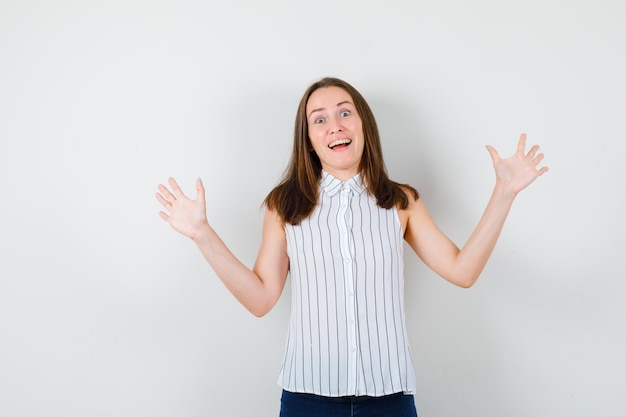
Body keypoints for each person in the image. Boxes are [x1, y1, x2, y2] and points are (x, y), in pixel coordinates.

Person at [156, 77, 548, 417]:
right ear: (308, 140)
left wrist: (504, 193)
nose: (334, 126)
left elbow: (462, 271)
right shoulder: (284, 205)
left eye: (345, 113)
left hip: (389, 401)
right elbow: (260, 298)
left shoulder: (400, 201)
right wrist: (202, 234)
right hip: (307, 402)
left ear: (363, 125)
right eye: (319, 119)